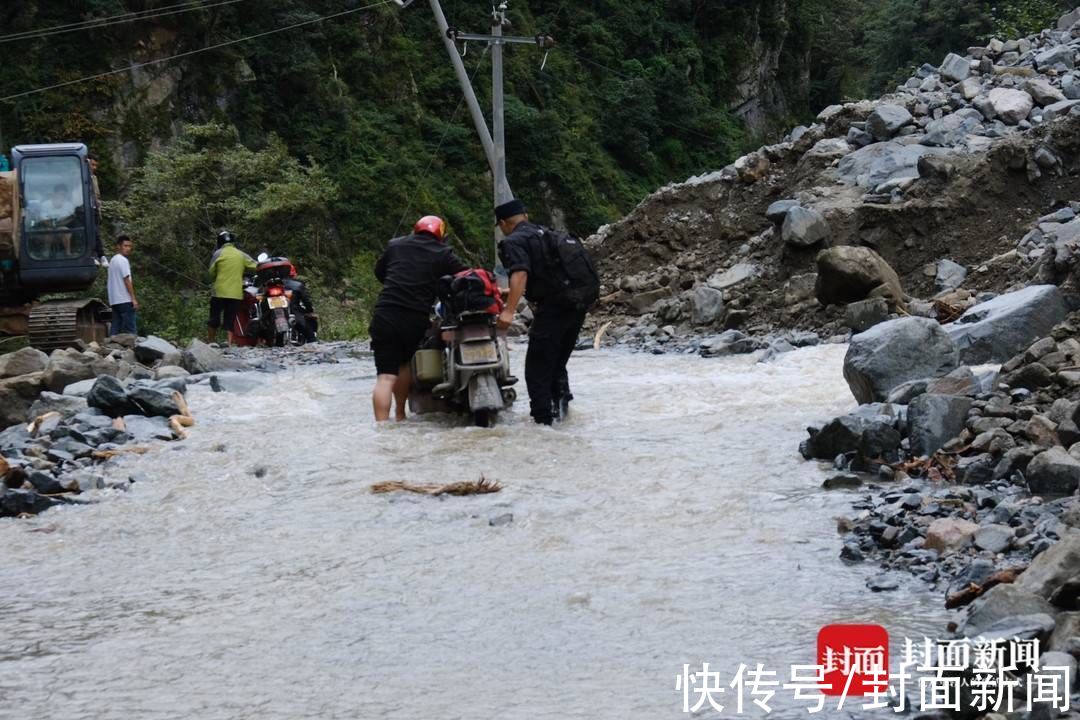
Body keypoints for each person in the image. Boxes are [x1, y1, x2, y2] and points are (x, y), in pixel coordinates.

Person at [495, 198, 595, 425]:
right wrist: (509, 292)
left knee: (537, 368)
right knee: (557, 363)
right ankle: (562, 415)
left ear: (503, 223)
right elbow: (546, 273)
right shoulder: (546, 233)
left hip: (554, 307)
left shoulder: (514, 240)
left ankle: (542, 423)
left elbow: (520, 274)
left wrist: (509, 311)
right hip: (577, 305)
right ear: (526, 216)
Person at [370, 215, 466, 422]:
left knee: (385, 376)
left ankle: (382, 427)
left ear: (415, 230)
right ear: (441, 235)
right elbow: (464, 277)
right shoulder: (443, 252)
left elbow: (380, 273)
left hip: (385, 313)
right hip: (414, 317)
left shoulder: (395, 245)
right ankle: (400, 414)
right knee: (404, 365)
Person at [208, 230, 257, 345]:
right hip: (235, 293)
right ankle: (229, 343)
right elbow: (255, 265)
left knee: (214, 317)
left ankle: (210, 341)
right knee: (230, 318)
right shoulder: (241, 254)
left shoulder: (218, 253)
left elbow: (211, 272)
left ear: (219, 242)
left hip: (219, 291)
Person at [107, 235, 138, 336]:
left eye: (129, 246)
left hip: (114, 300)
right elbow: (126, 280)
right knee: (131, 328)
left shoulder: (112, 260)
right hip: (124, 299)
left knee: (116, 326)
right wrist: (133, 298)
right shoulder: (123, 260)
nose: (128, 248)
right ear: (118, 246)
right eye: (125, 246)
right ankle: (134, 349)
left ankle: (110, 348)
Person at [87, 152, 106, 264]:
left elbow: (97, 196)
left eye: (95, 165)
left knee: (96, 232)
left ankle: (99, 255)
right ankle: (99, 255)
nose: (94, 168)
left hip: (94, 208)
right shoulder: (79, 175)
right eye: (92, 164)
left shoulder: (94, 178)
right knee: (92, 231)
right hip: (84, 209)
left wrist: (99, 210)